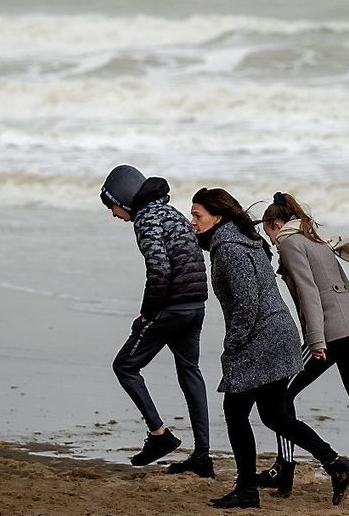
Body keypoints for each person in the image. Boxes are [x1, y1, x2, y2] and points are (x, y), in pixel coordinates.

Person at [190, 187, 349, 509]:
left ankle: (247, 491)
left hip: (261, 338)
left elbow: (247, 302)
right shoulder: (245, 240)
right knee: (275, 415)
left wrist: (233, 344)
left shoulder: (229, 248)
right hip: (278, 333)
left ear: (218, 216)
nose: (192, 221)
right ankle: (336, 464)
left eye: (198, 215)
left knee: (235, 412)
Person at [258, 191, 349, 499]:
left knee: (279, 395)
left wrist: (315, 340)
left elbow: (308, 294)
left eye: (267, 231)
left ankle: (289, 467)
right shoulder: (317, 239)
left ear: (277, 223)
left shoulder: (289, 243)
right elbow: (344, 285)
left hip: (329, 333)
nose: (269, 239)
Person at [99, 164, 213, 477]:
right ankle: (202, 456)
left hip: (171, 308)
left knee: (124, 366)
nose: (113, 214)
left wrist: (147, 313)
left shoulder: (146, 219)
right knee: (190, 373)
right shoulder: (172, 212)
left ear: (122, 200)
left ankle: (159, 436)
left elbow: (160, 269)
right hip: (196, 305)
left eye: (111, 206)